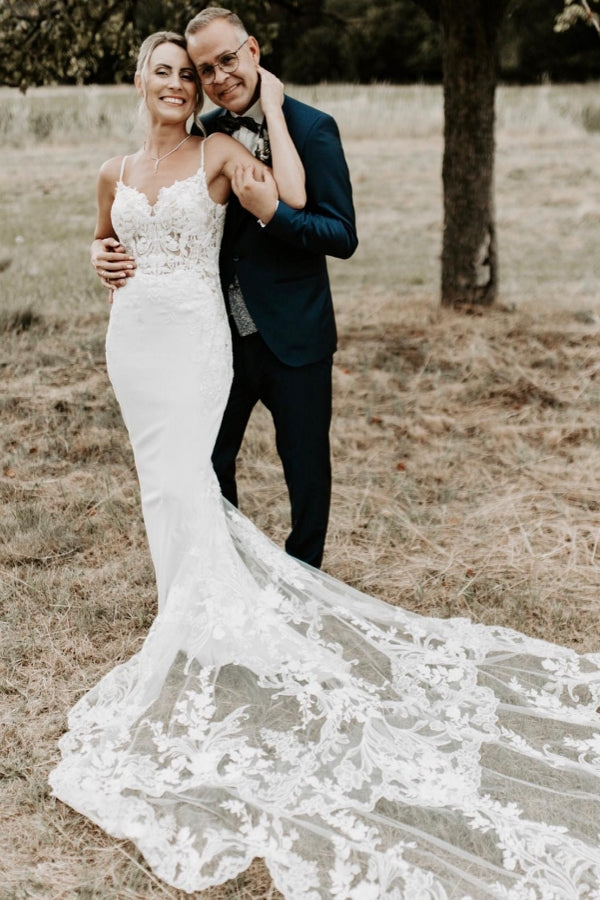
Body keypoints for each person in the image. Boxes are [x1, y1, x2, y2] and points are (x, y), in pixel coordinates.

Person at [50, 28, 600, 900]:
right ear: (142, 79)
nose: (195, 82)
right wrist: (100, 252)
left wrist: (270, 108)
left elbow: (327, 228)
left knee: (297, 483)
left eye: (203, 70)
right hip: (169, 338)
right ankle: (193, 608)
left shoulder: (252, 136)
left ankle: (282, 600)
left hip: (265, 339)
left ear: (246, 58)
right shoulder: (139, 163)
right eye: (179, 70)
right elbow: (113, 231)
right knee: (189, 478)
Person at [92, 7, 358, 570]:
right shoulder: (207, 132)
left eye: (225, 61)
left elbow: (340, 234)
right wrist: (101, 248)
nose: (217, 77)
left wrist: (274, 204)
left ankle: (305, 576)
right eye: (204, 69)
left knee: (305, 470)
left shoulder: (313, 128)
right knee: (209, 462)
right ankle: (224, 575)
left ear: (253, 52)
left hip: (294, 335)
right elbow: (144, 214)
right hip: (218, 335)